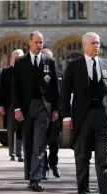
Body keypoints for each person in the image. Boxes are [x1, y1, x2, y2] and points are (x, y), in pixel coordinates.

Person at [61, 32, 107, 194]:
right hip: (82, 118)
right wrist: (66, 117)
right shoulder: (74, 66)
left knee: (104, 158)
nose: (96, 46)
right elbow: (65, 93)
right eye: (93, 43)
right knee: (82, 158)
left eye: (98, 43)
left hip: (103, 117)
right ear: (84, 45)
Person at [12, 31, 60, 191]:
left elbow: (55, 88)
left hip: (43, 107)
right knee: (28, 142)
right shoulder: (21, 62)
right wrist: (17, 108)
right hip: (26, 108)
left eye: (41, 42)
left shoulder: (49, 61)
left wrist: (55, 109)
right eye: (37, 42)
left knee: (40, 143)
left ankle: (36, 178)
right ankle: (29, 175)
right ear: (30, 42)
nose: (40, 45)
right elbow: (15, 88)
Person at [0, 49, 24, 162]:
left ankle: (20, 153)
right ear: (11, 59)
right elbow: (1, 90)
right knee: (11, 129)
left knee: (22, 129)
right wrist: (1, 105)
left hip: (23, 104)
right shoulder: (6, 72)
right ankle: (12, 153)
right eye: (15, 57)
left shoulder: (26, 71)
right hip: (10, 104)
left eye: (20, 57)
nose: (17, 59)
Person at [40, 48, 61, 180]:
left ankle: (54, 164)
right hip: (42, 111)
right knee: (41, 141)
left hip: (55, 113)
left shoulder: (60, 75)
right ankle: (44, 167)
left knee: (54, 141)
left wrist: (58, 110)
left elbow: (62, 94)